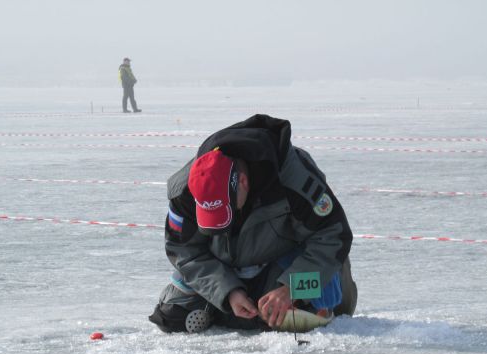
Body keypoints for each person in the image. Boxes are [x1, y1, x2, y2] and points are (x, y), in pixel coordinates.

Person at [149, 114, 358, 333]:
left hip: (284, 264)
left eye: (226, 211)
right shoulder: (186, 192)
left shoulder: (295, 180)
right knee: (172, 315)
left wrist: (291, 289)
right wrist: (227, 291)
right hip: (225, 268)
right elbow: (184, 251)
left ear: (243, 181)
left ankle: (325, 298)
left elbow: (334, 237)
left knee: (288, 317)